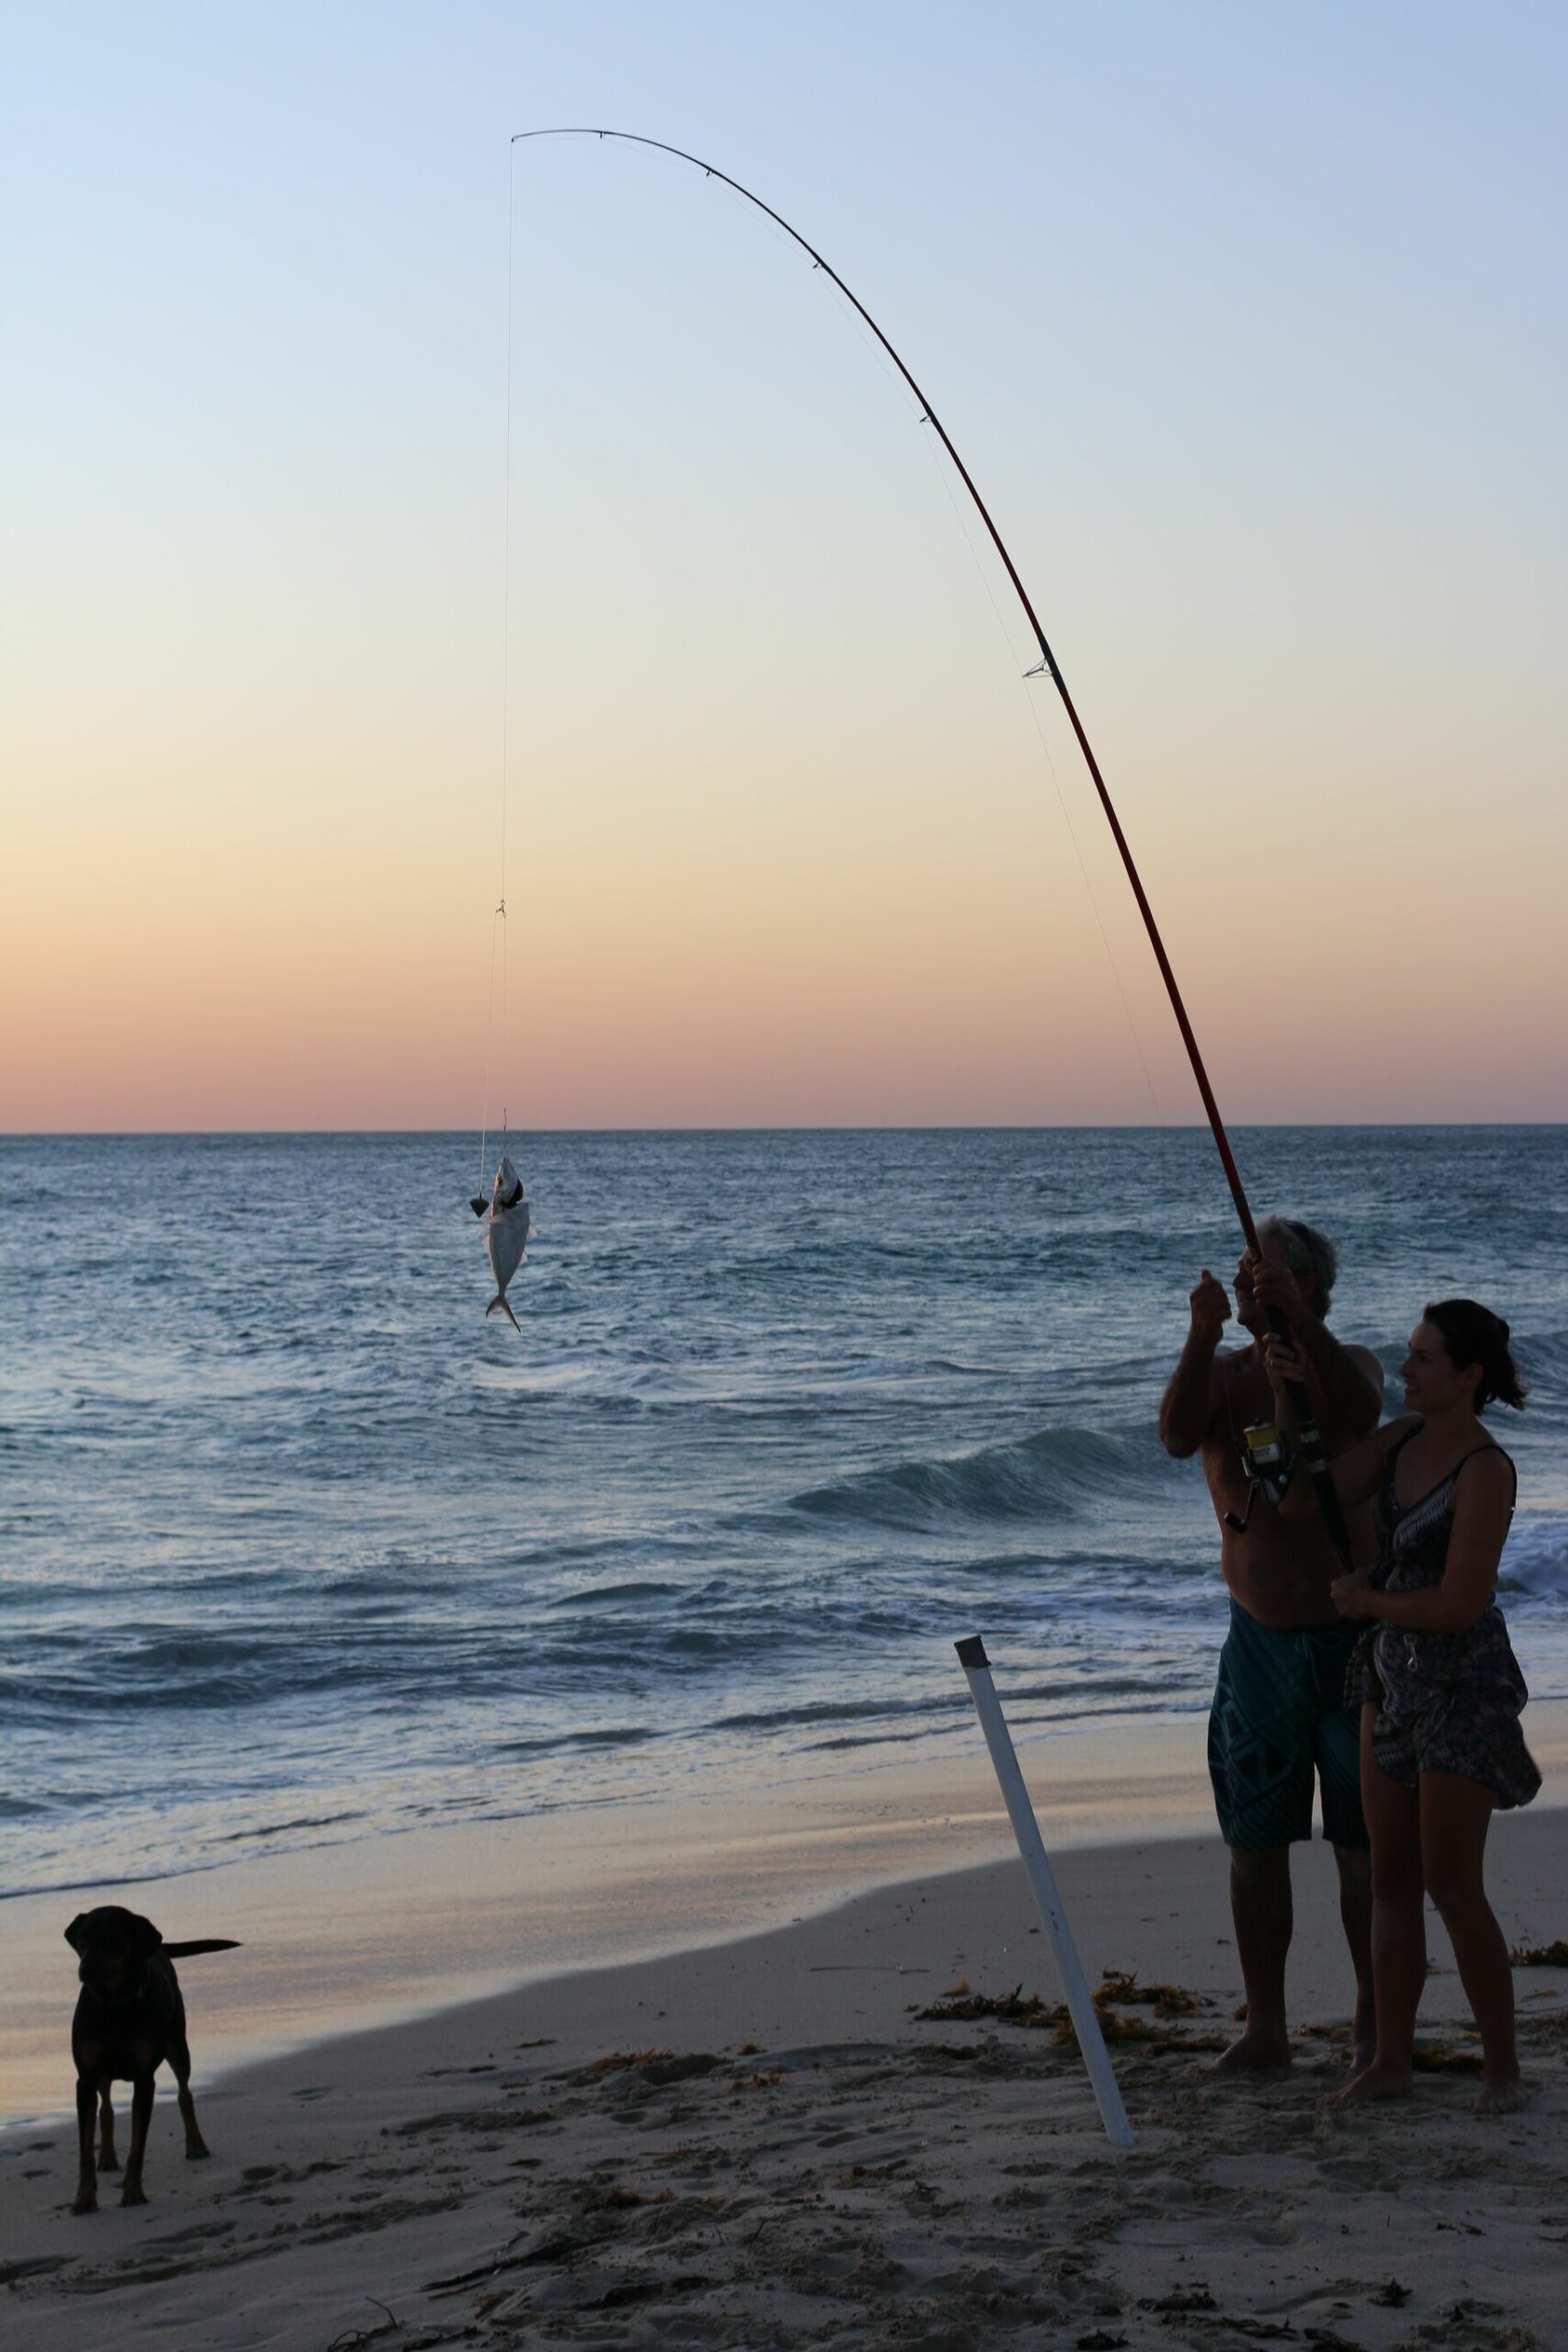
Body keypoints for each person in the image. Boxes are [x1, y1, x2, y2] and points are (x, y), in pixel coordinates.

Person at [1267, 1298, 1539, 2110]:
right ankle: (1390, 2060)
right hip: (1388, 1682)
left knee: (1452, 1883)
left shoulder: (1484, 1471)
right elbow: (1295, 1503)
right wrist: (1290, 1395)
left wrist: (1367, 1603)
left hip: (1462, 1687)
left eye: (1423, 1359)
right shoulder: (1399, 1442)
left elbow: (1459, 1604)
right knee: (1389, 1878)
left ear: (1468, 1377)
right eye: (1409, 1355)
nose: (1407, 1368)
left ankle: (1502, 2071)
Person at [1160, 1217, 1384, 2069]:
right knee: (1254, 1843)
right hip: (1256, 1641)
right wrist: (1201, 1330)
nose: (1259, 1288)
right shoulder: (1224, 1377)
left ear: (1313, 1288)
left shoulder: (1346, 1362)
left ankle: (1371, 2020)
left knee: (1362, 1846)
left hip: (1352, 1640)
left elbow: (1359, 1413)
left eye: (1276, 1278)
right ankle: (1265, 2025)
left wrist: (1303, 1331)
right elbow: (1178, 1437)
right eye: (1253, 1276)